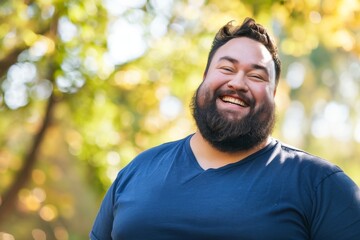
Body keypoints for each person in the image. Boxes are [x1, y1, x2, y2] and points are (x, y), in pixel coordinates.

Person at [90, 17, 360, 239]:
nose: (238, 83)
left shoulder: (320, 185)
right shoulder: (137, 172)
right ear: (204, 78)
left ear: (273, 95)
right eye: (227, 68)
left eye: (256, 76)